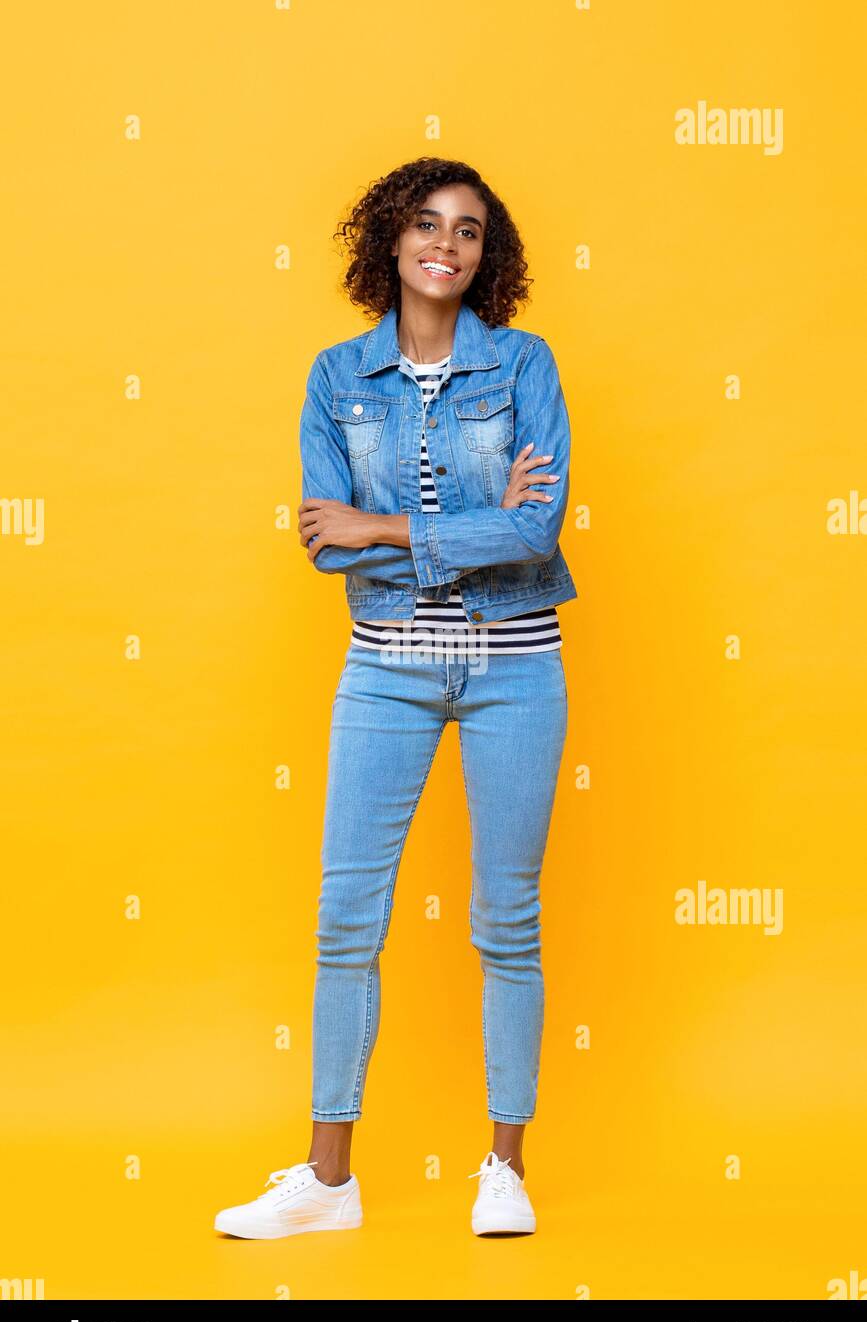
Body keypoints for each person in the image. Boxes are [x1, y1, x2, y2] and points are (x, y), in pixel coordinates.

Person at [215, 156, 577, 1241]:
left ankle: (503, 1168)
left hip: (518, 665)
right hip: (386, 670)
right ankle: (329, 1181)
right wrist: (435, 534)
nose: (447, 244)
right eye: (428, 223)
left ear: (486, 258)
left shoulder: (525, 366)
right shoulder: (337, 375)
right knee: (345, 919)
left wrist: (386, 530)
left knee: (506, 919)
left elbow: (536, 531)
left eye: (469, 231)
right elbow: (324, 544)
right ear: (391, 240)